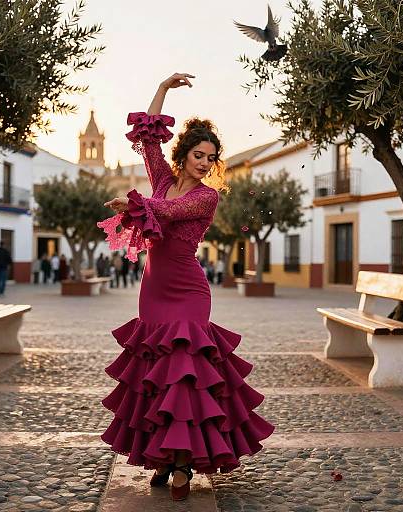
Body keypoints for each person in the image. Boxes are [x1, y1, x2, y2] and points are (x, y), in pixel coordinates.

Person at [97, 73, 274, 501]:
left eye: (211, 158)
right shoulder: (160, 177)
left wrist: (135, 204)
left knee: (185, 374)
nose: (204, 163)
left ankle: (181, 464)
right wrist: (161, 88)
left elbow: (169, 210)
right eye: (198, 154)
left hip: (189, 290)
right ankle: (161, 457)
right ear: (184, 153)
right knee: (155, 376)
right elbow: (148, 137)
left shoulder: (206, 197)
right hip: (154, 289)